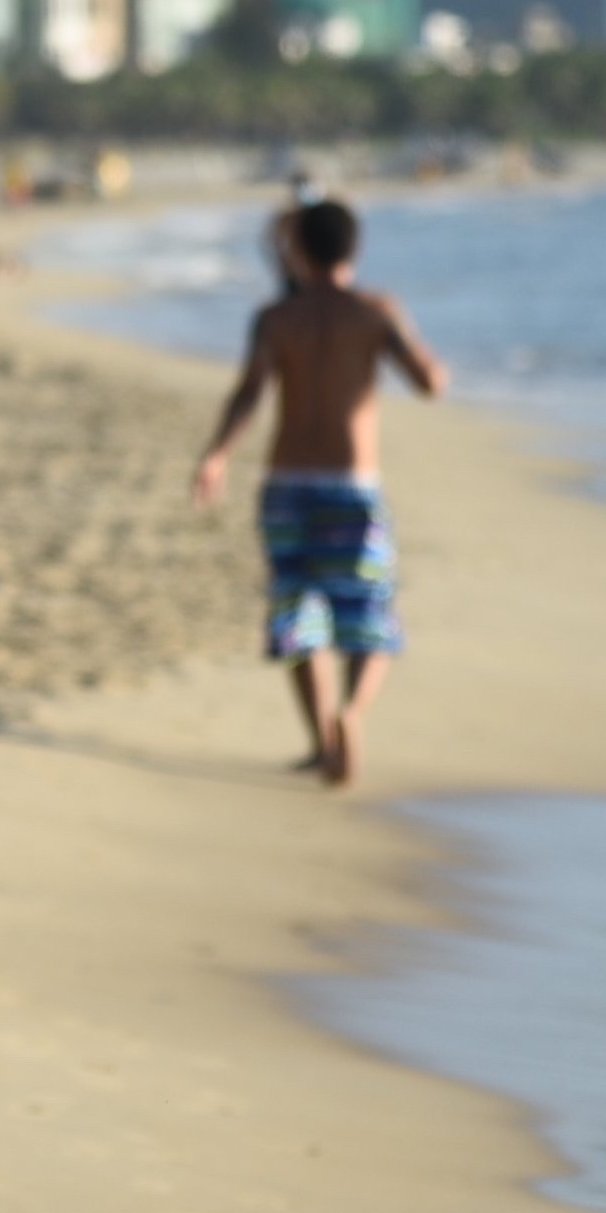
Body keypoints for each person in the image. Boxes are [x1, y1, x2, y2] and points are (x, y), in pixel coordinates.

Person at [192, 198, 448, 786]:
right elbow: (427, 383)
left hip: (285, 486)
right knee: (368, 617)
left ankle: (322, 738)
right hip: (351, 485)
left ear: (299, 250)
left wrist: (216, 456)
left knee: (298, 617)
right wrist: (433, 364)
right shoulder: (374, 312)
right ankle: (352, 716)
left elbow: (249, 393)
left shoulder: (277, 319)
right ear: (354, 250)